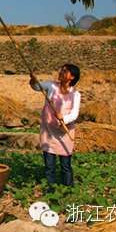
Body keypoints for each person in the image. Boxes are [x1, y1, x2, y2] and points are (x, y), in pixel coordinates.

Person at [30, 64, 81, 193]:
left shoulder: (75, 94)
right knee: (50, 165)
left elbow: (75, 113)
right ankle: (50, 190)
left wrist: (63, 118)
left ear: (72, 77)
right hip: (49, 131)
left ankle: (69, 190)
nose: (61, 73)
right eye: (61, 70)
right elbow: (37, 86)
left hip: (65, 132)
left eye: (65, 71)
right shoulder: (52, 86)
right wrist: (33, 79)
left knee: (66, 165)